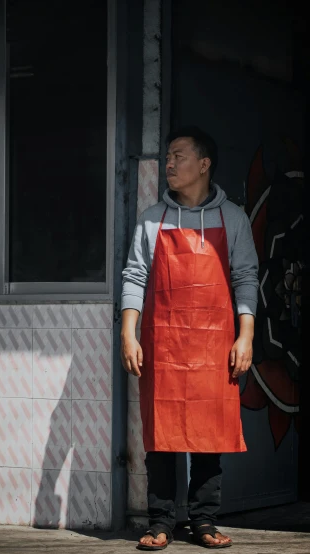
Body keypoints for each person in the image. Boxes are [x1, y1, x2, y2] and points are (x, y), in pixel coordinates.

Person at [120, 126, 259, 550]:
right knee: (161, 436)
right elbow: (135, 276)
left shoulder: (232, 218)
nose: (169, 164)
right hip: (162, 344)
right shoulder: (150, 219)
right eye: (166, 157)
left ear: (204, 164)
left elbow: (245, 278)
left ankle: (204, 521)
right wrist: (128, 332)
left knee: (208, 435)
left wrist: (246, 336)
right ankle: (159, 521)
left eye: (178, 156)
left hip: (215, 344)